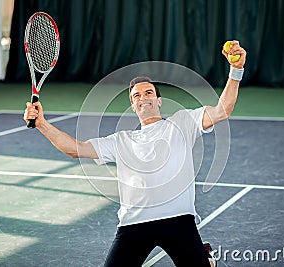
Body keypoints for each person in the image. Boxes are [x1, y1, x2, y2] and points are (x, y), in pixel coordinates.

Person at [24, 40, 246, 267]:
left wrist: (235, 70)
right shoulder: (121, 140)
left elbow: (222, 110)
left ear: (159, 100)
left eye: (148, 92)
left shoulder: (183, 122)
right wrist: (41, 123)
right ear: (133, 105)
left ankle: (202, 256)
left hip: (179, 219)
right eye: (136, 96)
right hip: (135, 224)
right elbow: (75, 149)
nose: (143, 97)